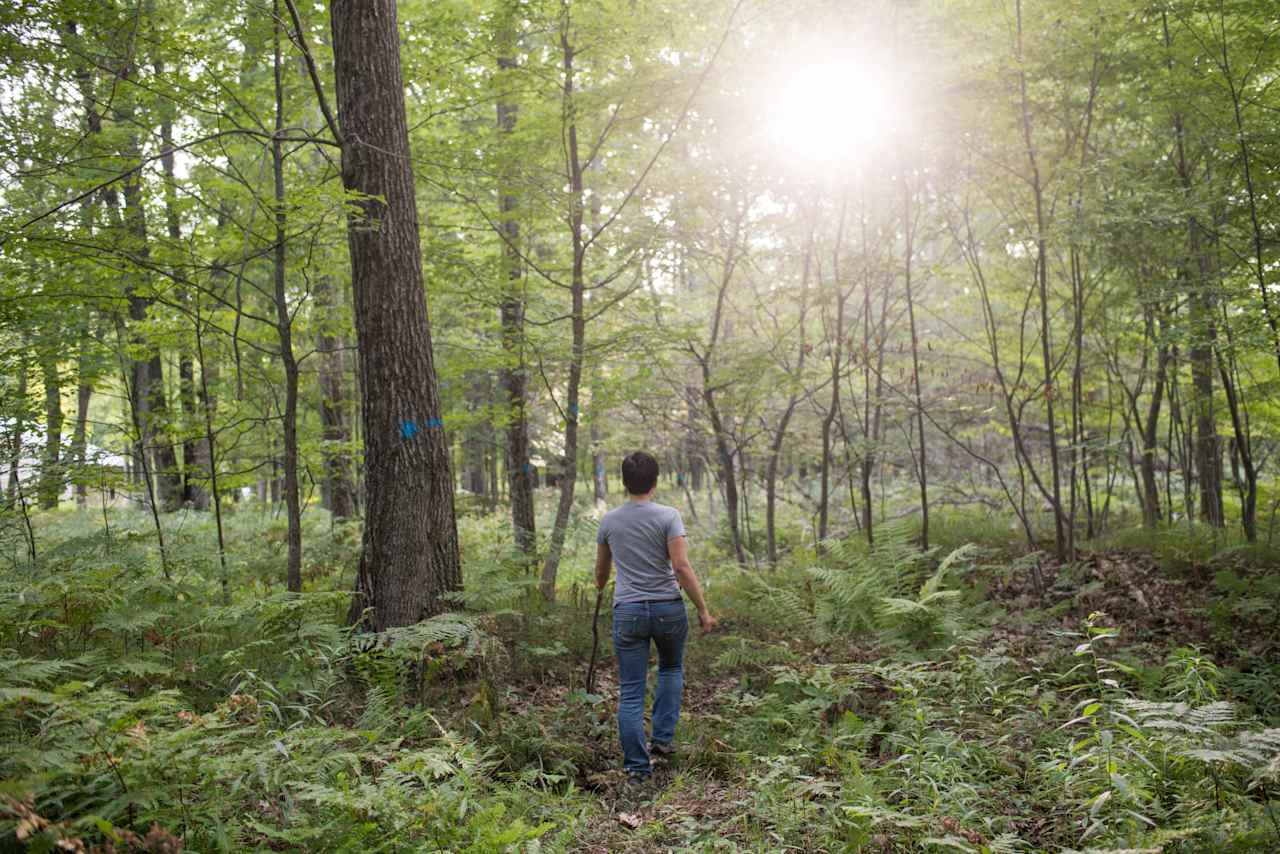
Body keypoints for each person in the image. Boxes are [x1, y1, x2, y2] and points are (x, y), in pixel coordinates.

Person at [594, 450, 717, 784]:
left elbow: (601, 575)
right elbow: (680, 567)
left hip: (629, 610)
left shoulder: (609, 521)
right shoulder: (669, 516)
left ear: (624, 481)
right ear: (655, 480)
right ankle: (661, 741)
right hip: (667, 608)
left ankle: (637, 767)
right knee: (671, 668)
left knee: (631, 690)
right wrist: (703, 610)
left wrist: (602, 585)